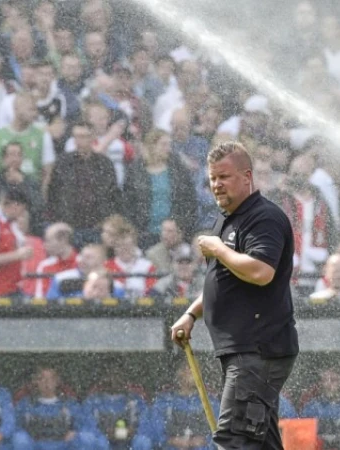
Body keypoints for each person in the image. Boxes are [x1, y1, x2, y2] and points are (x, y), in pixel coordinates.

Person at [170, 141, 298, 450]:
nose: (216, 185)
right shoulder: (227, 220)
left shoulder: (263, 217)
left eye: (224, 177)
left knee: (234, 441)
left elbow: (260, 272)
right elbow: (224, 282)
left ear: (247, 177)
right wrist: (191, 314)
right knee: (260, 442)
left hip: (257, 350)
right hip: (245, 351)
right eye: (212, 178)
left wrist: (217, 248)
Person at [47, 121, 121, 246]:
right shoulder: (63, 163)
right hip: (70, 227)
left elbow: (113, 195)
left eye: (83, 136)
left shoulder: (104, 164)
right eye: (76, 136)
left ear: (93, 138)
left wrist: (105, 220)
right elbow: (53, 194)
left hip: (97, 227)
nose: (78, 141)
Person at [122, 129, 197, 246]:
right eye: (163, 144)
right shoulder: (136, 171)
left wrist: (181, 225)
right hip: (144, 233)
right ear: (151, 146)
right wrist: (135, 228)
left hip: (174, 233)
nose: (168, 148)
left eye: (169, 144)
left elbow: (189, 200)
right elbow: (129, 203)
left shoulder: (178, 170)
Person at [12, 366, 108, 450]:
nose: (46, 383)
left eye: (51, 379)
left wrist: (75, 432)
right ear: (36, 381)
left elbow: (85, 424)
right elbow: (15, 426)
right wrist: (25, 436)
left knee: (87, 437)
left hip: (63, 446)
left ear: (57, 381)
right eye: (42, 378)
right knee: (19, 438)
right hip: (36, 446)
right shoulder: (26, 404)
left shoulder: (69, 403)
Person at [132, 363, 221, 450]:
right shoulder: (163, 402)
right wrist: (170, 440)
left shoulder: (211, 404)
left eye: (197, 368)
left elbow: (222, 434)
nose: (192, 371)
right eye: (188, 367)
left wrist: (205, 440)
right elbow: (149, 431)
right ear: (179, 372)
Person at [33, 223, 78, 298]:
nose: (44, 245)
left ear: (64, 239)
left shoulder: (83, 263)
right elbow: (40, 299)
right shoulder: (44, 266)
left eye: (48, 241)